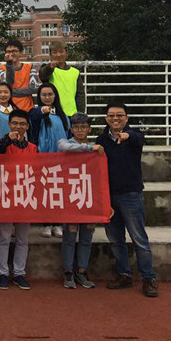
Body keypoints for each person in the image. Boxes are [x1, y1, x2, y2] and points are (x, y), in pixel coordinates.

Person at [96, 103, 158, 298]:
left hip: (131, 195)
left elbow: (137, 138)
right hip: (108, 196)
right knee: (116, 240)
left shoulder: (135, 136)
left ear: (126, 118)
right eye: (111, 115)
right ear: (106, 118)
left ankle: (148, 278)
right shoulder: (101, 140)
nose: (115, 118)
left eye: (119, 115)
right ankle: (124, 274)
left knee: (139, 238)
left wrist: (126, 136)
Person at [58, 113, 105, 289]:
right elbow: (65, 147)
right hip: (70, 196)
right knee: (69, 236)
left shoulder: (97, 149)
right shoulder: (65, 143)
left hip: (89, 197)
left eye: (83, 127)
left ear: (89, 129)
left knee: (87, 237)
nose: (79, 130)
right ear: (71, 129)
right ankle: (68, 271)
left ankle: (82, 271)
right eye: (76, 127)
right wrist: (89, 148)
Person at [0, 110, 38, 290]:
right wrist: (8, 139)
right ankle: (2, 273)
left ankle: (19, 273)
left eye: (22, 124)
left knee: (22, 238)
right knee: (4, 237)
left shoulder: (33, 147)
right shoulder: (2, 143)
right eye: (15, 123)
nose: (18, 127)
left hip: (25, 195)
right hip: (6, 194)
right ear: (9, 124)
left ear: (27, 126)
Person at [29, 83, 71, 238]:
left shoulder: (63, 116)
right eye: (44, 95)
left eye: (50, 94)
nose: (47, 97)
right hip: (43, 158)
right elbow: (33, 116)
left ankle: (58, 223)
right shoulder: (36, 113)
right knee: (45, 192)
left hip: (61, 159)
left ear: (55, 96)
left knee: (59, 191)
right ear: (39, 97)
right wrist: (42, 111)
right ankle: (46, 223)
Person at [38, 40, 83, 117]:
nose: (58, 55)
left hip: (72, 114)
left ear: (66, 53)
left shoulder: (75, 72)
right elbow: (43, 76)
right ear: (50, 55)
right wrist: (50, 67)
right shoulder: (47, 69)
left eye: (61, 52)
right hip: (52, 114)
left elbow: (80, 95)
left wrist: (80, 113)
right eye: (55, 52)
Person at [0, 39, 39, 111]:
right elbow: (9, 83)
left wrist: (9, 92)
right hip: (7, 110)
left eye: (14, 51)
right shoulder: (0, 69)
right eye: (8, 52)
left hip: (27, 109)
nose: (11, 54)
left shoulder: (30, 67)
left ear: (21, 53)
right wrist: (9, 64)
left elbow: (34, 88)